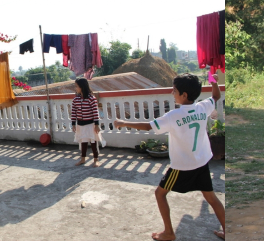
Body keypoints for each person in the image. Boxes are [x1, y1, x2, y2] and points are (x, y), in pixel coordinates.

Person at [114, 73, 225, 241]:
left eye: (174, 91)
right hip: (201, 162)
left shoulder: (173, 116)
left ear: (184, 95)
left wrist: (124, 123)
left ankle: (169, 233)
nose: (172, 93)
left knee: (160, 194)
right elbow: (216, 96)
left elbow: (148, 126)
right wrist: (213, 81)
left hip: (182, 167)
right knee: (211, 199)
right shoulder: (203, 107)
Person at [71, 78, 101, 167]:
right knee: (83, 142)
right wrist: (73, 123)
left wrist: (96, 124)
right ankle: (83, 159)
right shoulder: (76, 99)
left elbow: (95, 112)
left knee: (93, 142)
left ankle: (96, 159)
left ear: (82, 86)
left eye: (76, 86)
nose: (75, 88)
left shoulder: (91, 98)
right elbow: (73, 112)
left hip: (90, 124)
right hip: (80, 124)